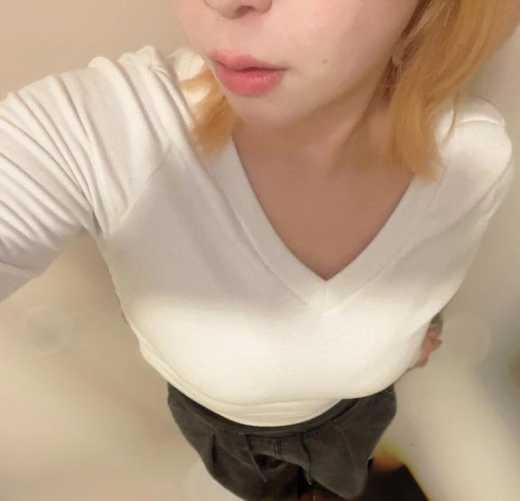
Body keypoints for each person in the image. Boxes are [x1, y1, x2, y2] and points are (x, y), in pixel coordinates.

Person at [1, 1, 518, 500]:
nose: (222, 3)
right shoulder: (106, 130)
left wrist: (412, 328)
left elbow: (437, 251)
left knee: (343, 478)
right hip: (217, 423)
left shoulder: (476, 151)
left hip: (353, 415)